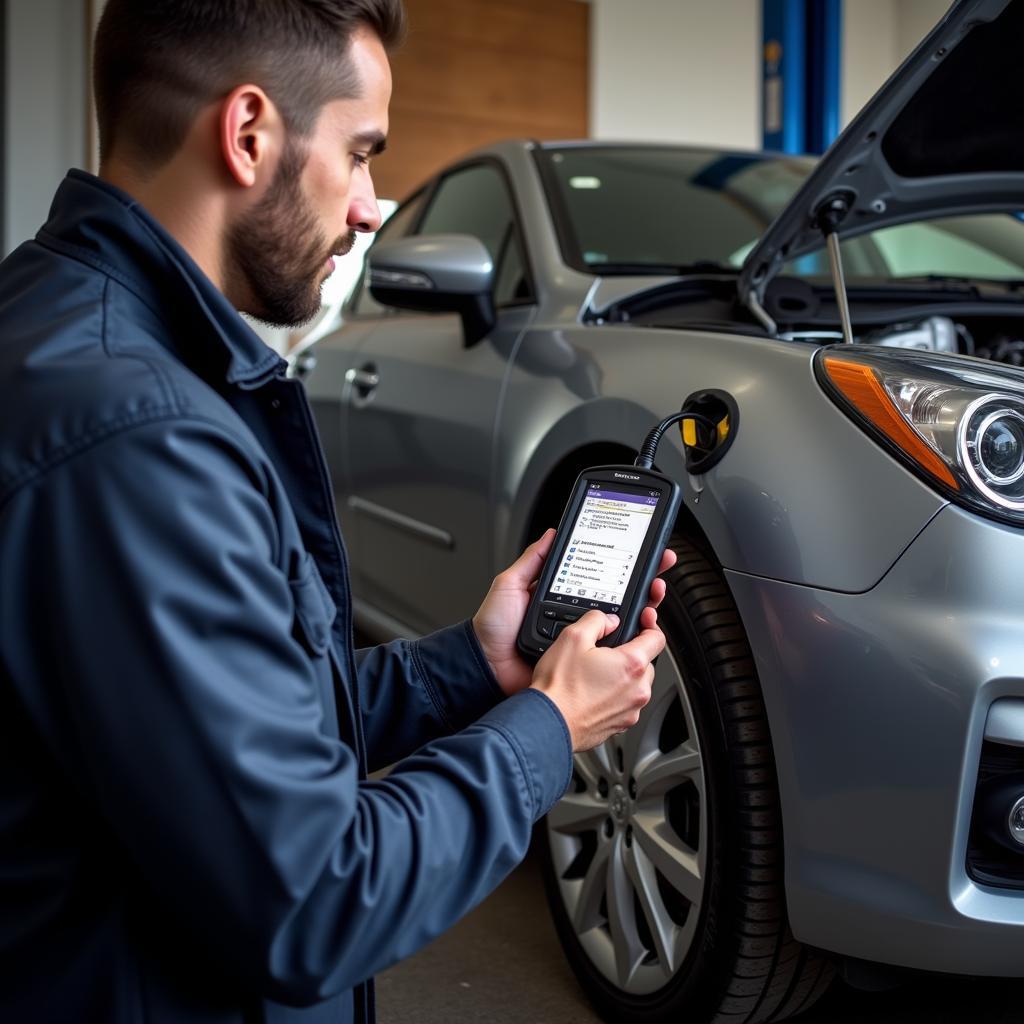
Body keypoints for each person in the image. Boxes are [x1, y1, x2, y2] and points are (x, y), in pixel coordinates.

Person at [0, 2, 674, 1022]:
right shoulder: (142, 437)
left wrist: (474, 663)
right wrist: (547, 724)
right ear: (249, 133)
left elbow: (232, 722)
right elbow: (314, 894)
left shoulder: (72, 330)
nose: (371, 208)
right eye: (362, 154)